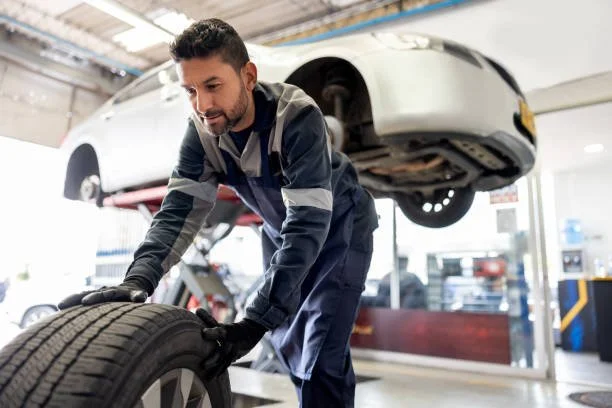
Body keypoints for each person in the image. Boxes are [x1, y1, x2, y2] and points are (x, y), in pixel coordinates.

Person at [58, 18, 378, 408]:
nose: (203, 104)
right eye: (190, 90)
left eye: (212, 85)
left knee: (320, 353)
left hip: (340, 227)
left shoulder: (295, 117)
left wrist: (254, 320)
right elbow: (178, 212)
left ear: (248, 76)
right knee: (289, 345)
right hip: (282, 231)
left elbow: (309, 222)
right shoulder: (203, 133)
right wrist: (138, 278)